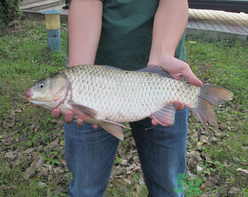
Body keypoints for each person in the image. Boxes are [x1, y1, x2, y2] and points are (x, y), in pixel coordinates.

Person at [51, 0, 203, 196]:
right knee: (84, 191)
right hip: (96, 80)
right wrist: (79, 74)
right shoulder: (73, 85)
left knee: (169, 189)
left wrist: (161, 57)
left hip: (162, 76)